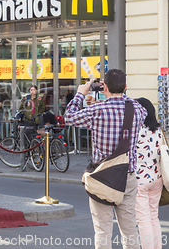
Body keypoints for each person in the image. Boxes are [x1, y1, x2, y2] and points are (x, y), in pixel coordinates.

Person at [64, 69, 147, 249]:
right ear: (126, 87)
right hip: (128, 176)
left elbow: (69, 118)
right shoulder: (139, 109)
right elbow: (128, 110)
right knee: (130, 229)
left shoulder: (97, 110)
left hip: (102, 177)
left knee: (103, 230)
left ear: (104, 87)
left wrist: (80, 94)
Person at [135, 97, 163, 249]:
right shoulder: (158, 130)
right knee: (154, 216)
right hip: (157, 178)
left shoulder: (135, 130)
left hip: (140, 180)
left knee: (143, 219)